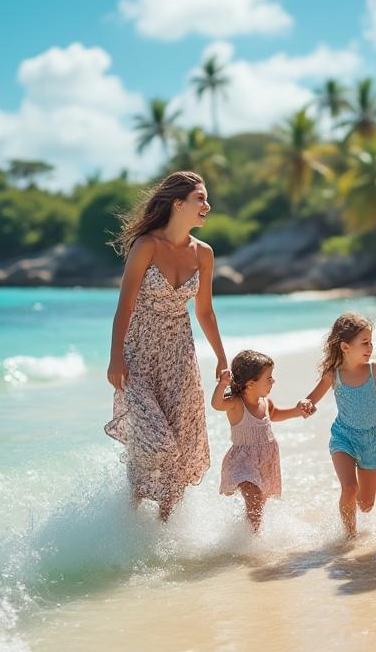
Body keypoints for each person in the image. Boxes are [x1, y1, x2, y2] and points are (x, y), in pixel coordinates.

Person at [105, 171, 230, 522]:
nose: (207, 205)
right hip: (139, 357)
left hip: (180, 357)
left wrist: (221, 357)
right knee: (155, 441)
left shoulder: (203, 253)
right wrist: (115, 356)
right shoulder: (147, 245)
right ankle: (128, 518)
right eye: (200, 199)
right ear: (178, 204)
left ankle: (164, 528)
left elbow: (204, 311)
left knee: (181, 445)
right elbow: (125, 304)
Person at [301, 313, 376, 537]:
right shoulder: (333, 374)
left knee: (366, 504)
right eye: (364, 343)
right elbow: (311, 399)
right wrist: (306, 404)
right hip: (343, 436)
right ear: (345, 347)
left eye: (371, 342)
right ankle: (349, 536)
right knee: (350, 488)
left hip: (371, 440)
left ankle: (349, 509)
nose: (370, 347)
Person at [212, 350, 310, 533]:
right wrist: (222, 384)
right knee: (253, 495)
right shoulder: (236, 403)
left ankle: (251, 535)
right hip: (243, 459)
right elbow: (216, 404)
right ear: (250, 384)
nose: (273, 381)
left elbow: (274, 415)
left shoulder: (265, 402)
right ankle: (250, 539)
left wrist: (297, 411)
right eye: (269, 378)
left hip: (266, 459)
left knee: (259, 504)